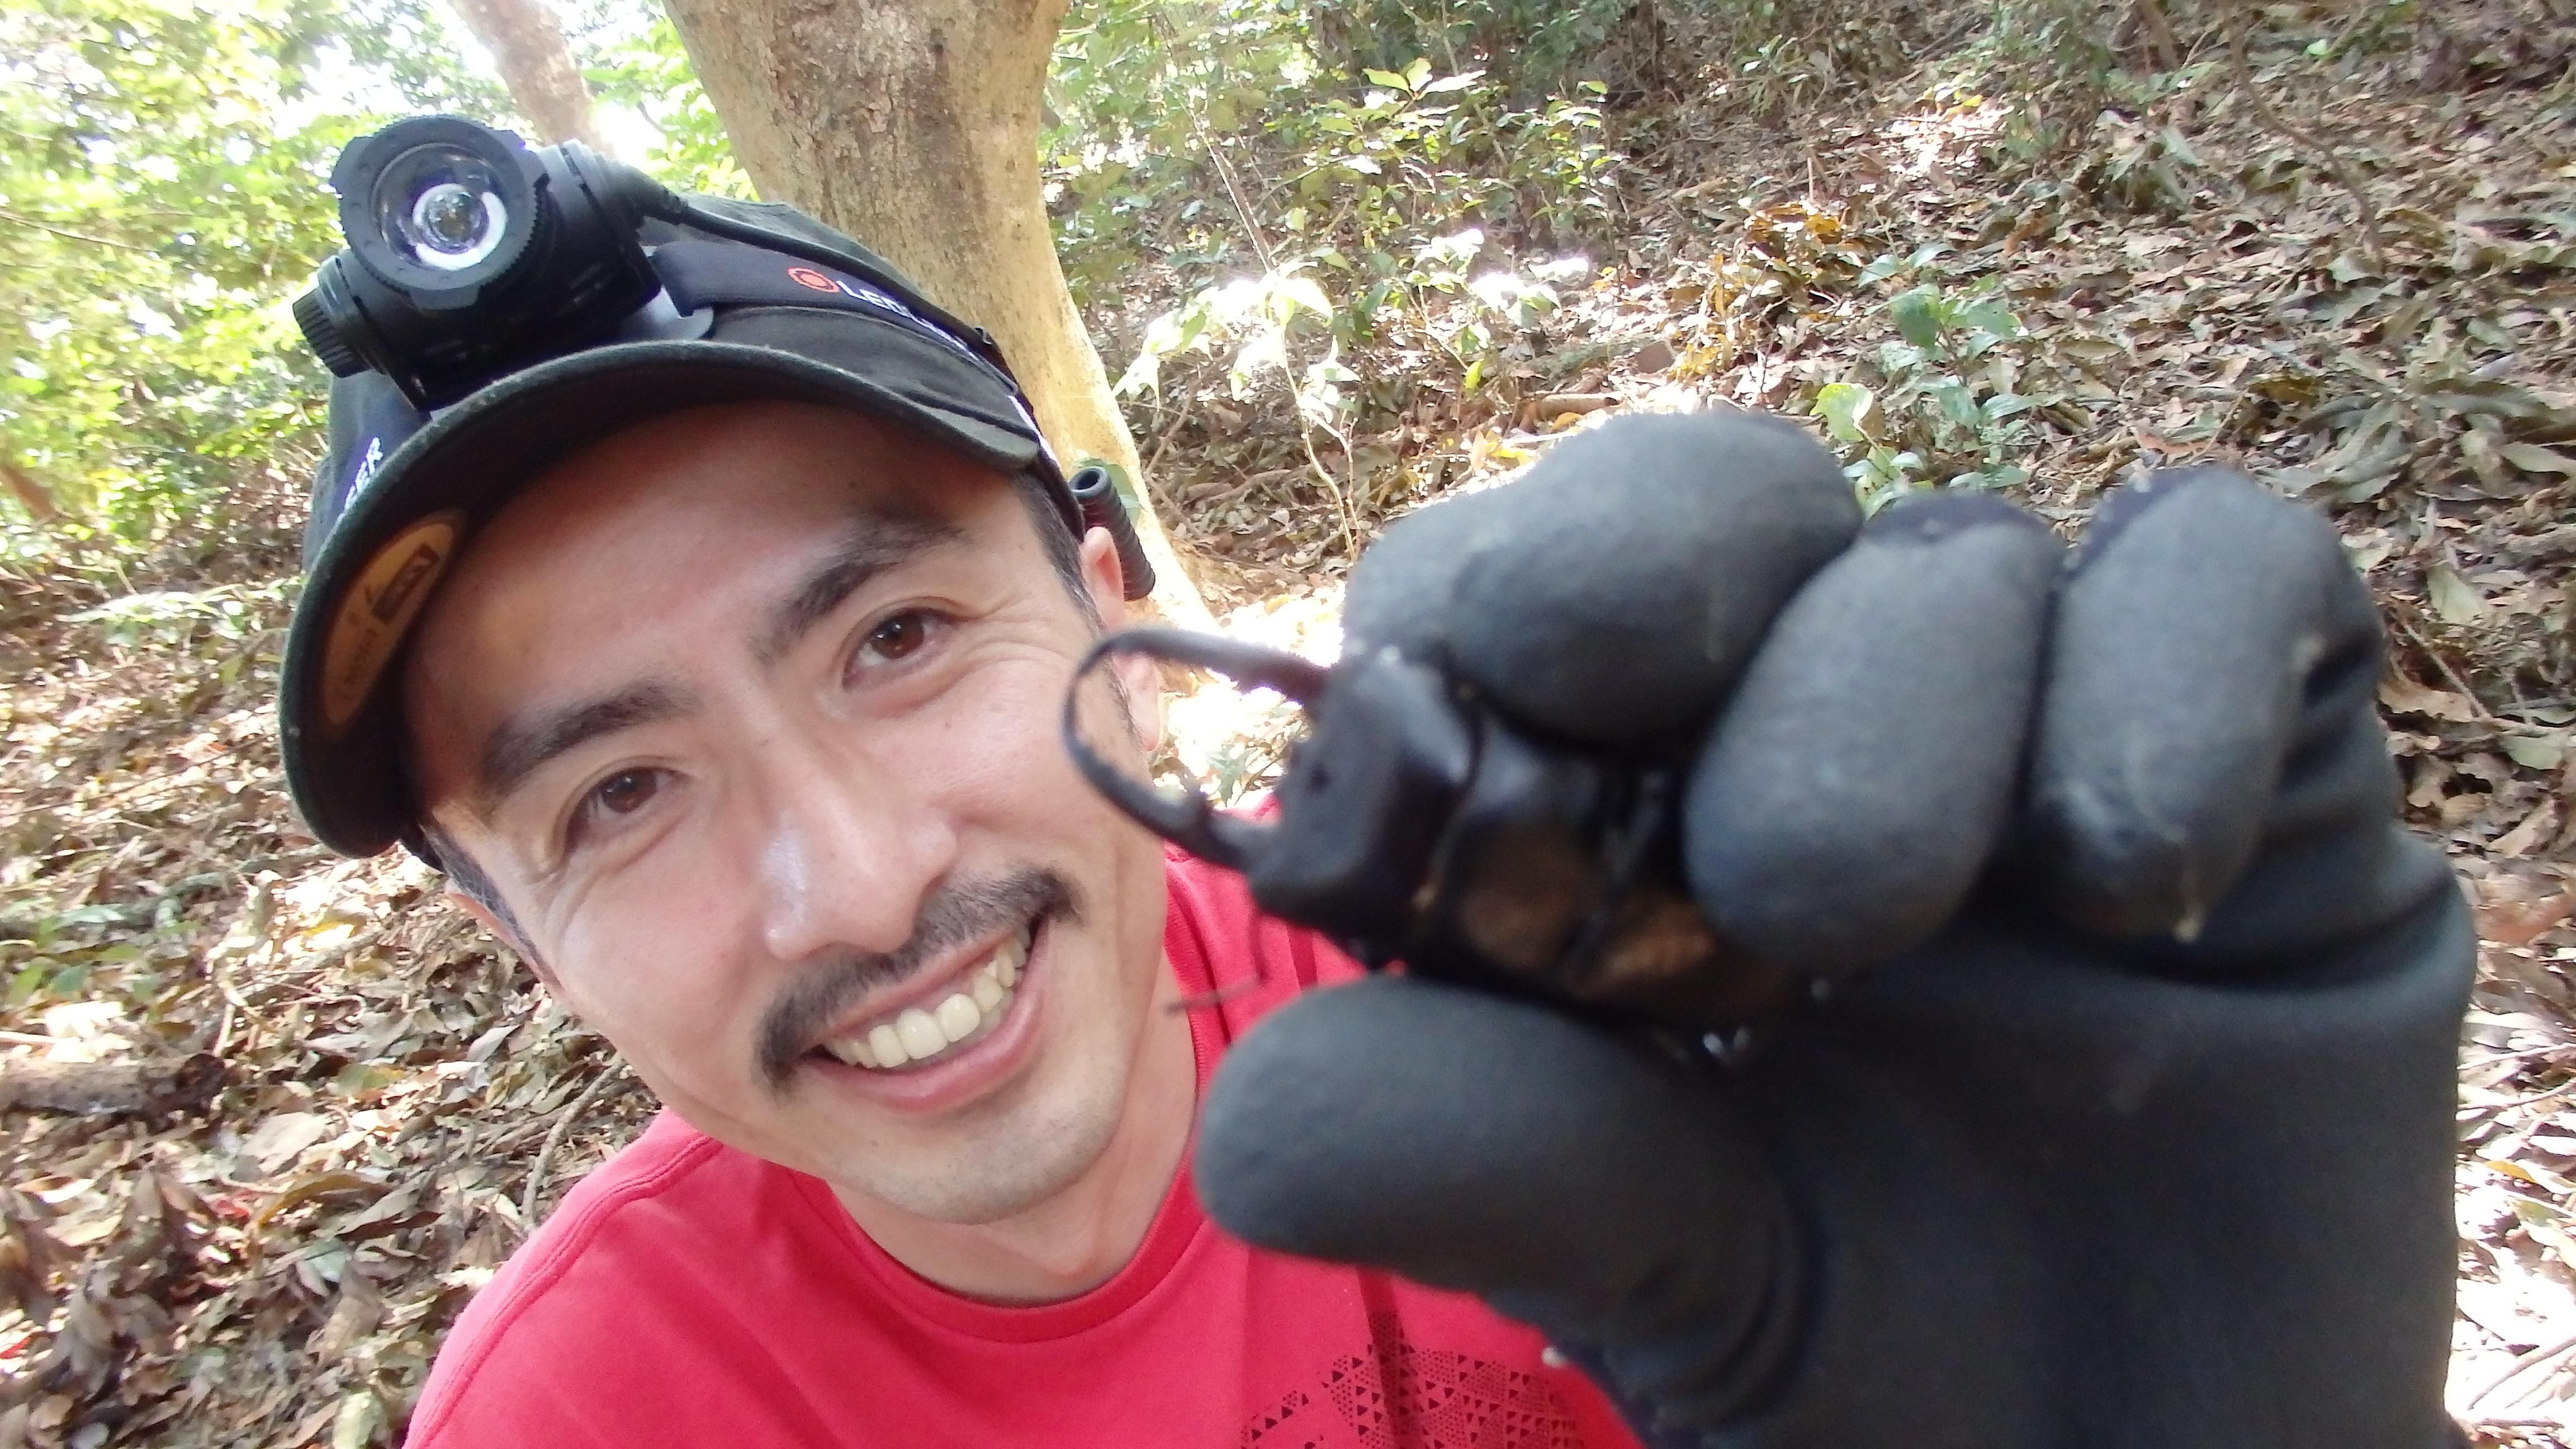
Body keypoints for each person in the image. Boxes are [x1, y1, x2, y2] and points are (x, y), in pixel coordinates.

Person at [278, 184, 2472, 1447]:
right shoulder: (586, 1417)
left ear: (1113, 606)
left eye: (898, 639)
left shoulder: (1615, 984)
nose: (858, 884)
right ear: (511, 930)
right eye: (621, 793)